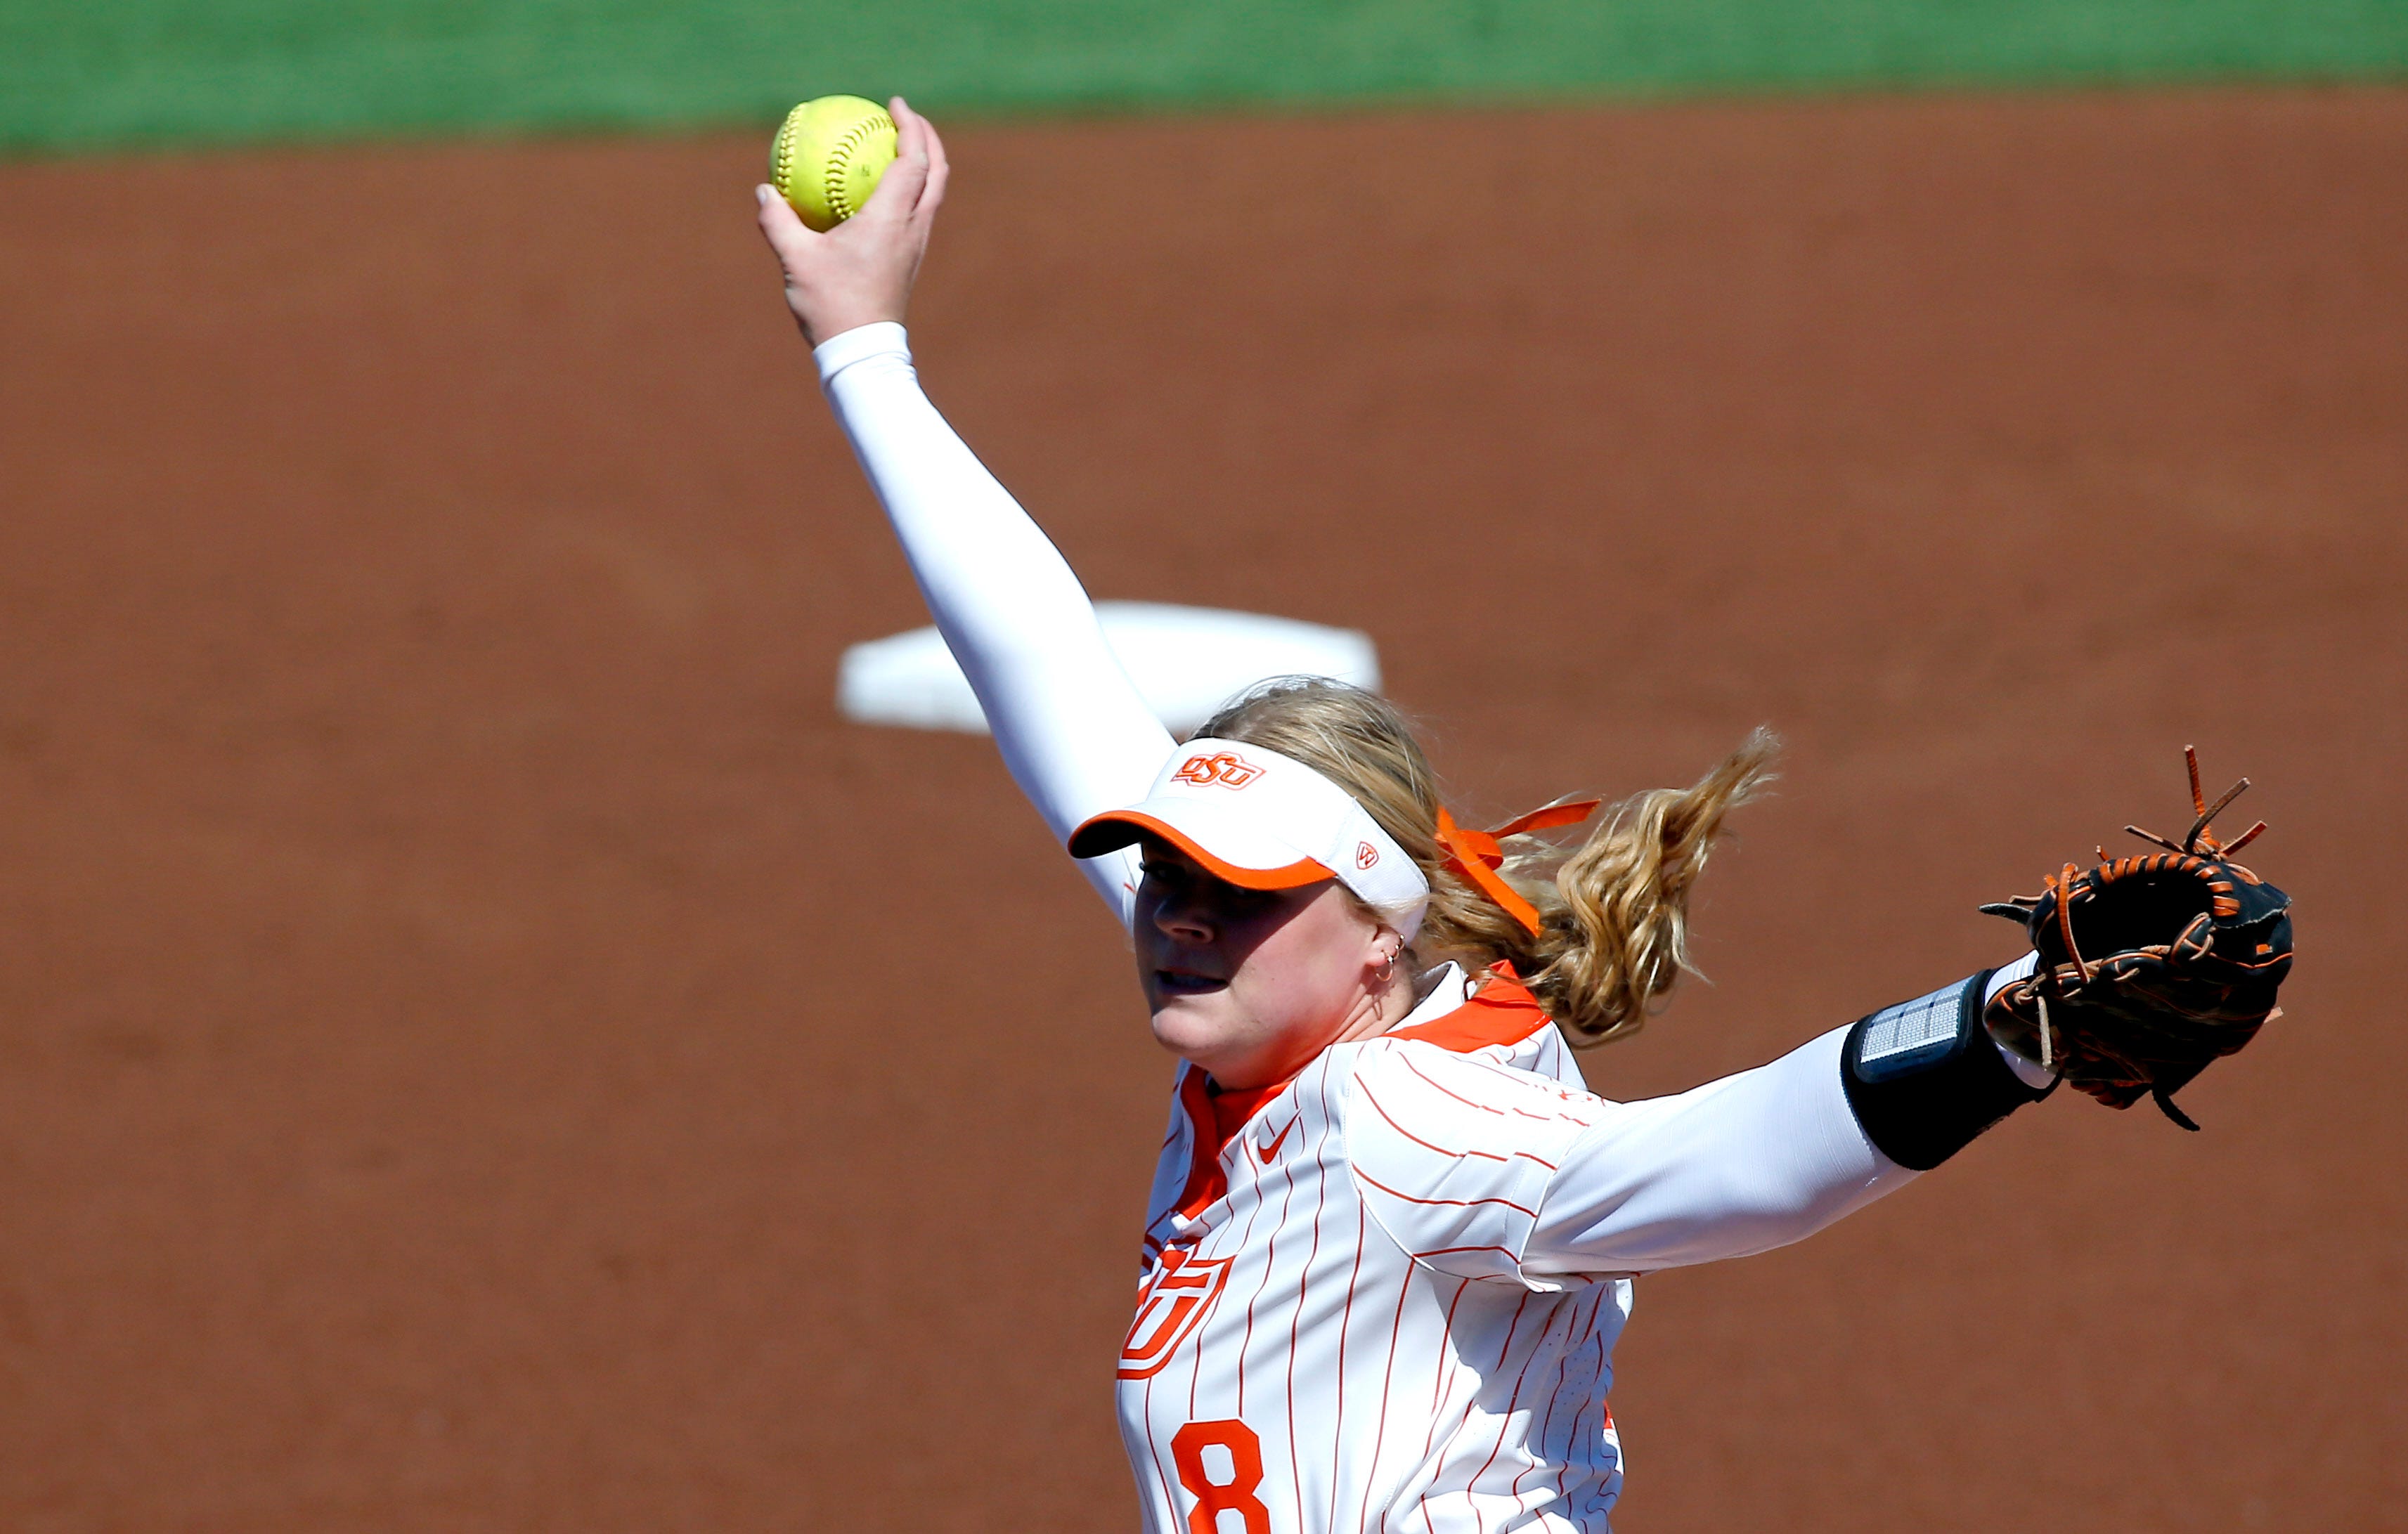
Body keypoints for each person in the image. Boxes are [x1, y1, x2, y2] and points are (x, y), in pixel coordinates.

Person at [753, 101, 2076, 1534]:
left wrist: (2015, 1018)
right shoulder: (1295, 990)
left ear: (1374, 938)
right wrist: (860, 341)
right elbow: (1042, 667)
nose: (1184, 915)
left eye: (1244, 892)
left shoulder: (1402, 1116)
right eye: (1172, 872)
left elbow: (1722, 1171)